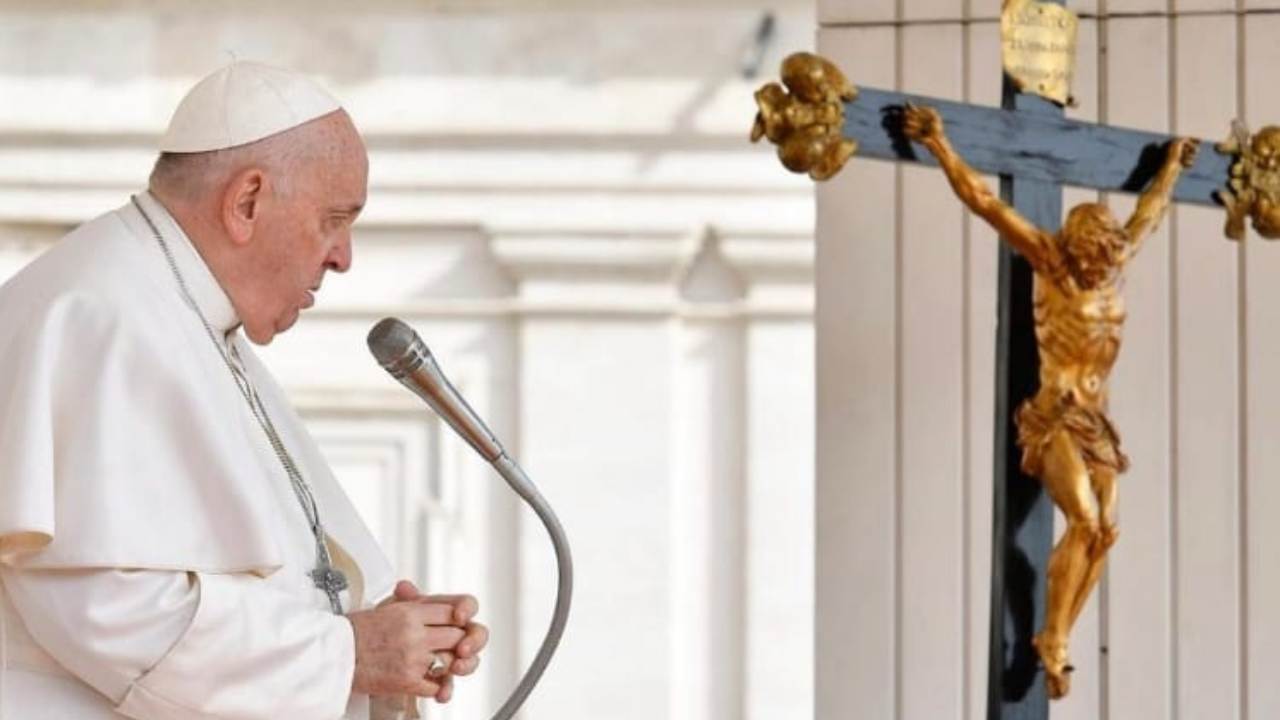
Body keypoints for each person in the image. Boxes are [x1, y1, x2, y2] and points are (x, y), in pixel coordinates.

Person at [0, 61, 487, 719]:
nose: (343, 256)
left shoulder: (189, 315)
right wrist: (346, 654)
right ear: (247, 201)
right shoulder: (99, 314)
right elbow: (104, 607)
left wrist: (383, 638)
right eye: (334, 220)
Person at [902, 103, 1197, 699]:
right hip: (1054, 413)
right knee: (1084, 519)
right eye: (1096, 258)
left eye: (1110, 259)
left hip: (1096, 421)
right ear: (1078, 245)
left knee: (1106, 531)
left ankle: (1058, 636)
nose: (1102, 269)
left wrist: (1170, 170)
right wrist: (939, 144)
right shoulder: (1051, 262)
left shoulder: (1112, 264)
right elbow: (985, 202)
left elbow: (1148, 214)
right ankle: (1053, 639)